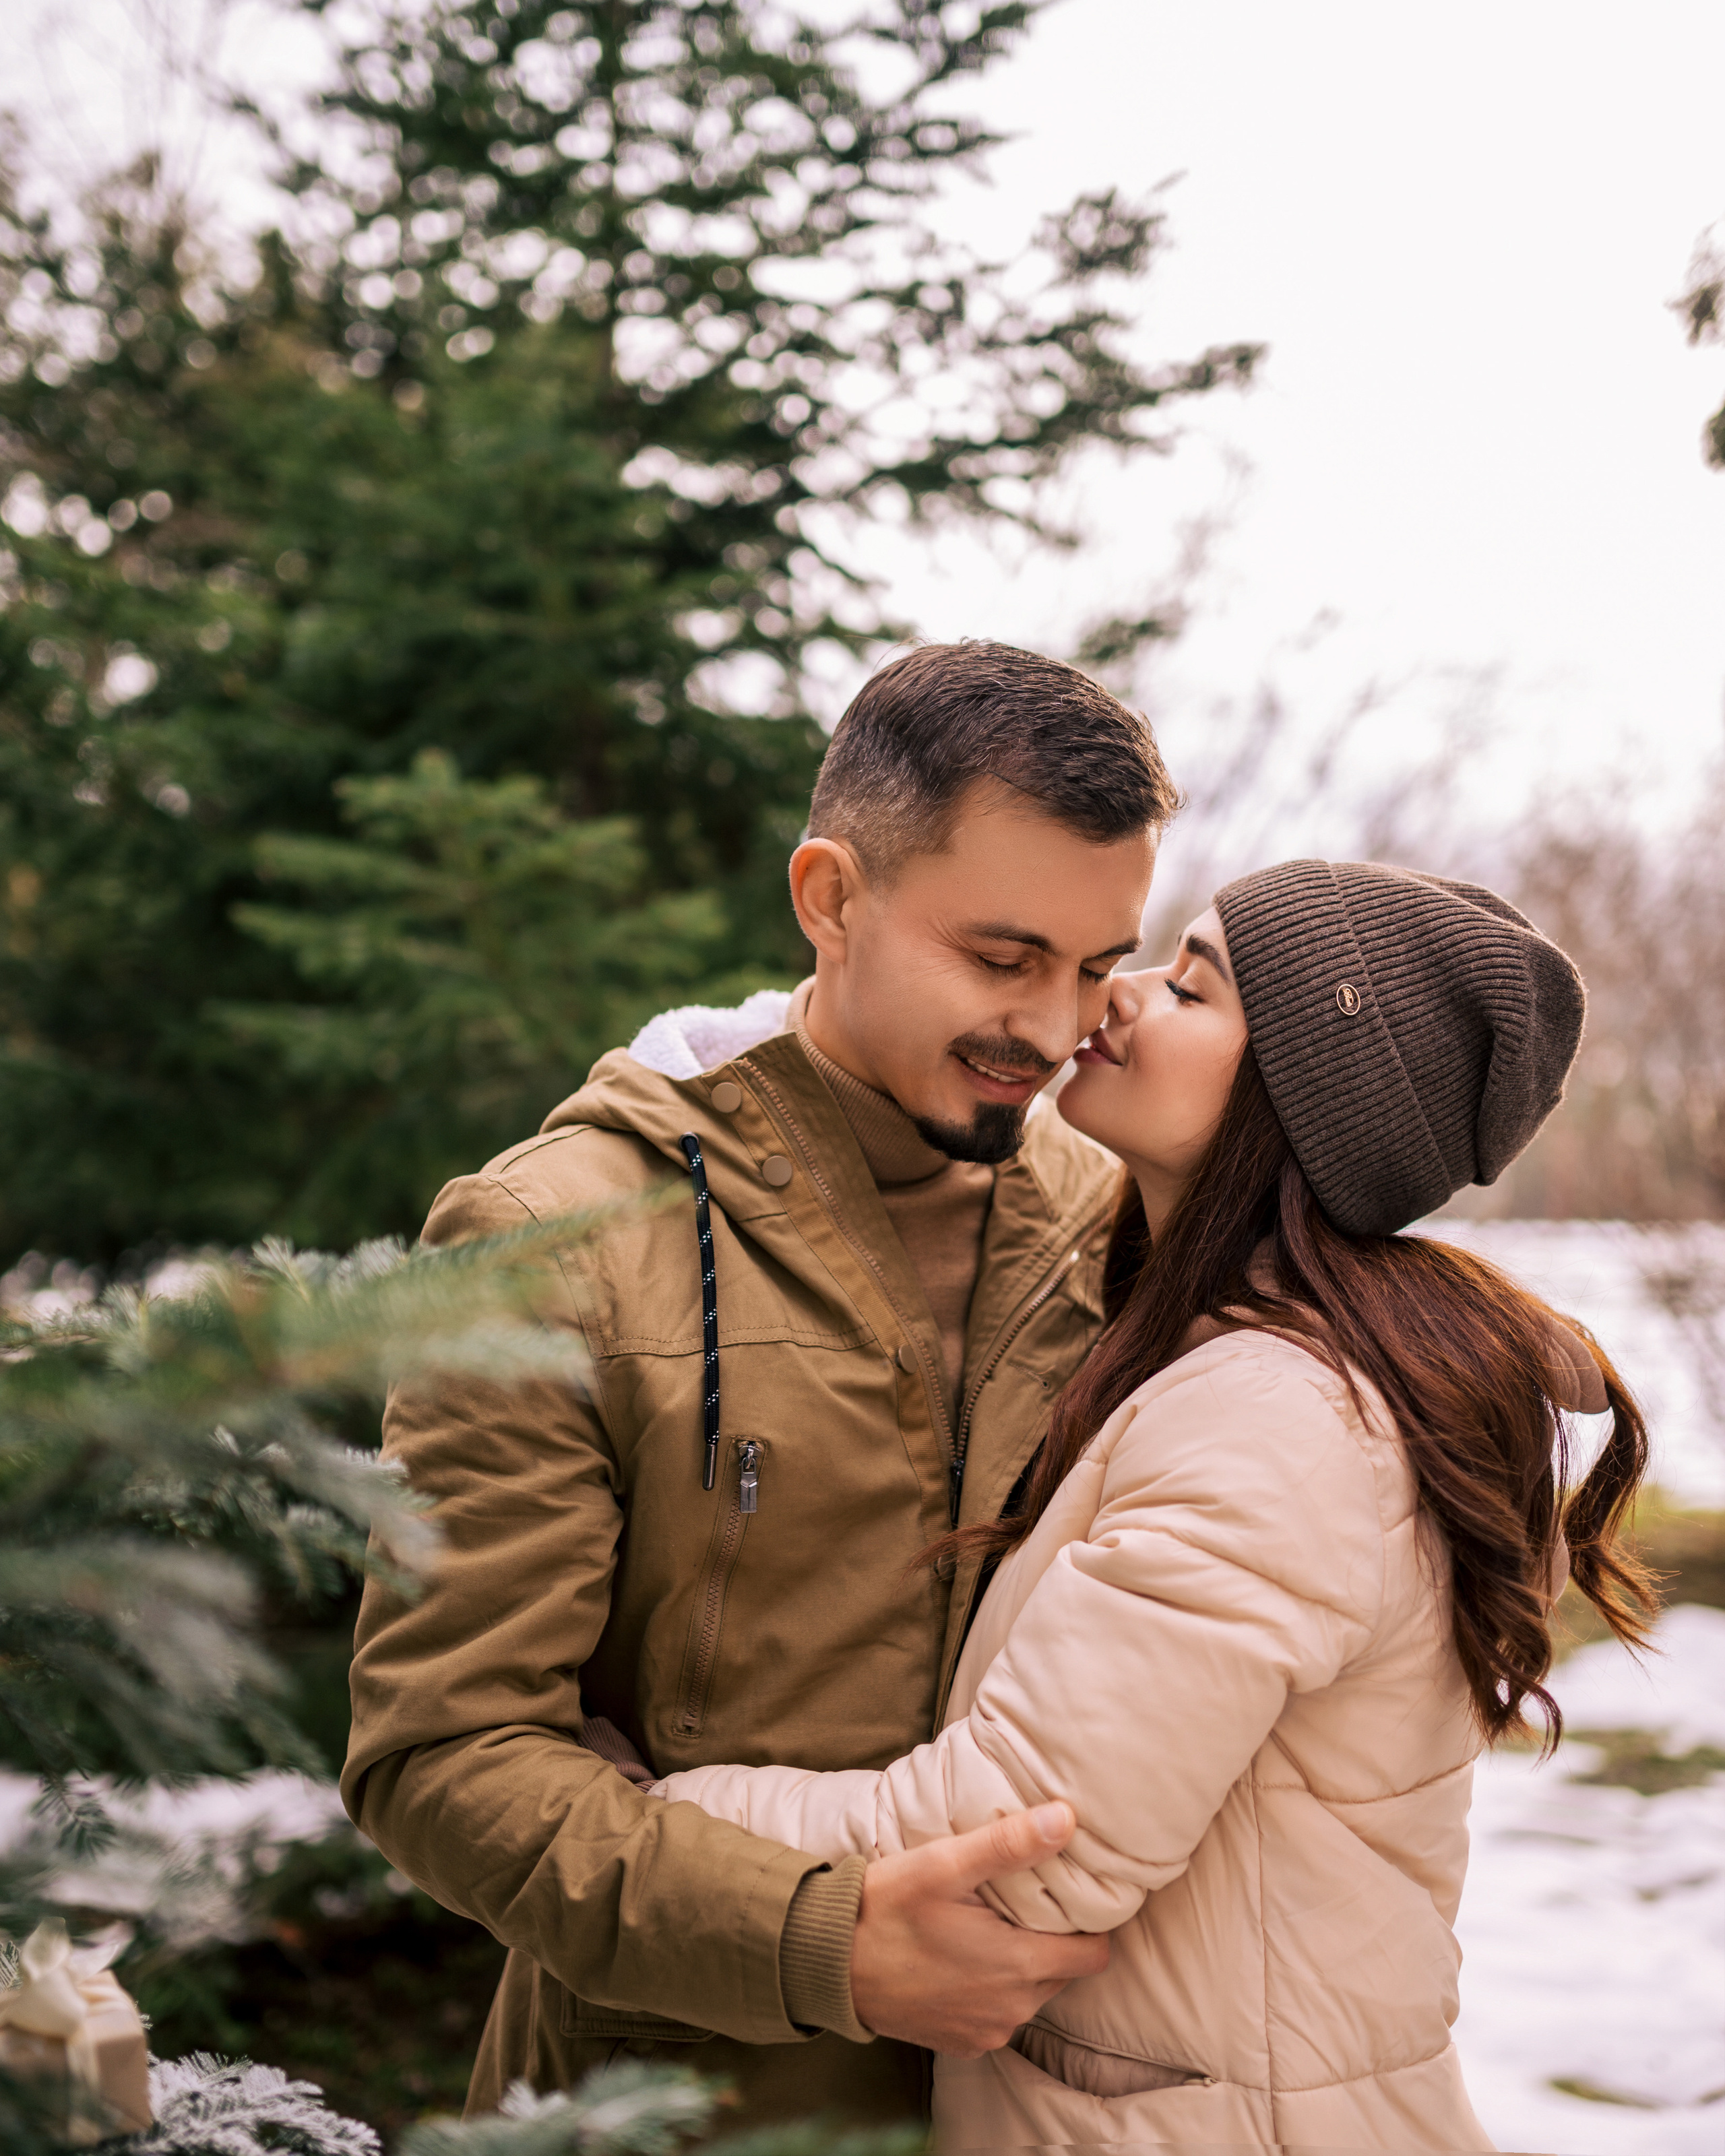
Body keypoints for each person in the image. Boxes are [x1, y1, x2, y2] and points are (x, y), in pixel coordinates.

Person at [648, 858, 1658, 2151]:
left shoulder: (1279, 1423)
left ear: (1298, 1100)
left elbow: (1018, 1845)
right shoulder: (1226, 1359)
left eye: (1189, 987)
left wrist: (642, 1823)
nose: (1111, 1001)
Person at [340, 642, 1183, 2124]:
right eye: (1000, 958)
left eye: (1094, 967)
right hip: (660, 2106)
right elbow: (441, 1750)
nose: (1053, 1032)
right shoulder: (549, 1241)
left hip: (1034, 2114)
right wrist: (822, 1943)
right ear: (829, 898)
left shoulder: (1120, 1222)